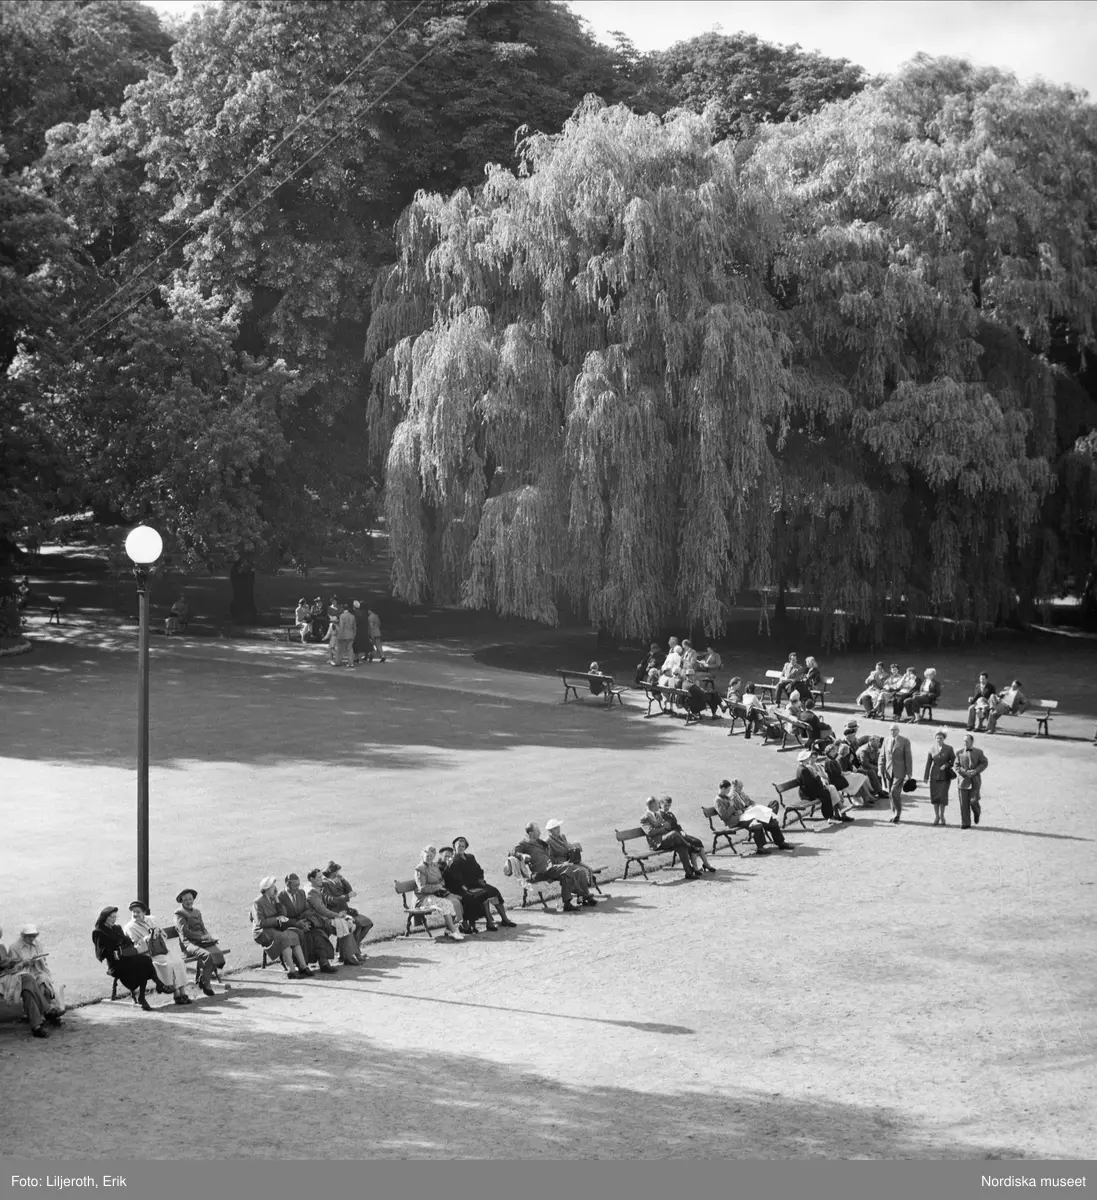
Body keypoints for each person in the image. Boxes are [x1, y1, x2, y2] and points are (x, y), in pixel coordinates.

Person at [511, 823, 597, 909]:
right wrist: (522, 856)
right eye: (538, 831)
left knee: (565, 875)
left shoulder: (539, 841)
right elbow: (512, 852)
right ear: (531, 833)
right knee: (570, 867)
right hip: (540, 872)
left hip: (550, 869)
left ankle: (567, 904)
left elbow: (551, 854)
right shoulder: (524, 843)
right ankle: (582, 894)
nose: (540, 833)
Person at [123, 900, 191, 1004]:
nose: (135, 914)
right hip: (147, 954)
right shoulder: (130, 927)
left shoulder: (152, 919)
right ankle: (176, 994)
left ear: (144, 912)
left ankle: (183, 992)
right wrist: (147, 939)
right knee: (168, 964)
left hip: (162, 950)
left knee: (179, 962)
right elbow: (135, 947)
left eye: (138, 912)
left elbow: (164, 935)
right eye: (133, 912)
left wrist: (158, 934)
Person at [93, 907, 158, 1011]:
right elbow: (100, 952)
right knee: (143, 963)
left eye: (115, 917)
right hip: (115, 963)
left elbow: (126, 941)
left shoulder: (117, 928)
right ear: (105, 917)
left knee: (145, 961)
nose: (113, 919)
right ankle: (157, 984)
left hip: (126, 957)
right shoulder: (98, 932)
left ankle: (142, 996)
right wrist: (114, 949)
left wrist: (127, 943)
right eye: (111, 917)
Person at [445, 837, 516, 931]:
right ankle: (488, 923)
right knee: (482, 894)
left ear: (465, 847)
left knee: (494, 891)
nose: (461, 848)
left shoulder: (470, 857)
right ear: (454, 847)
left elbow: (479, 870)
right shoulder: (453, 861)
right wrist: (465, 887)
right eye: (459, 846)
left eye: (463, 846)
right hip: (463, 887)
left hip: (476, 884)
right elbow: (456, 879)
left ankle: (504, 919)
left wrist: (481, 879)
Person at [0, 924, 57, 1037]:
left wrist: (13, 962)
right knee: (27, 978)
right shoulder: (12, 947)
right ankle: (47, 1010)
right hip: (3, 977)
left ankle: (36, 1026)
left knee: (28, 991)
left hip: (9, 974)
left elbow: (7, 963)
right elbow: (4, 964)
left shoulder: (1, 947)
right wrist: (10, 963)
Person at [253, 877, 313, 979]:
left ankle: (303, 966)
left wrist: (277, 901)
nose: (275, 889)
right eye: (273, 887)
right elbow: (260, 922)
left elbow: (283, 914)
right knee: (284, 938)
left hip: (274, 928)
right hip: (262, 931)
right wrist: (277, 919)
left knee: (293, 935)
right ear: (267, 889)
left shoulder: (273, 899)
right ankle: (292, 971)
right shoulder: (258, 902)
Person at [277, 874, 338, 971]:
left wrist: (305, 922)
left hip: (303, 922)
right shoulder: (280, 897)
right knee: (302, 935)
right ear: (287, 885)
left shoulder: (301, 893)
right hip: (289, 926)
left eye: (299, 885)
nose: (297, 888)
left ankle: (324, 962)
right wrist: (297, 923)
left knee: (318, 933)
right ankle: (302, 965)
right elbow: (282, 918)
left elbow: (307, 909)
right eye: (295, 886)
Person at [715, 779, 794, 854]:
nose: (729, 791)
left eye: (729, 789)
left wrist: (738, 810)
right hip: (734, 821)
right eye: (728, 789)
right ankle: (761, 847)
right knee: (756, 822)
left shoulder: (726, 797)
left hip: (740, 816)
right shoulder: (718, 800)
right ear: (723, 789)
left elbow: (736, 808)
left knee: (768, 820)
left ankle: (780, 842)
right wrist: (733, 808)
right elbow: (724, 816)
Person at [174, 889, 226, 996]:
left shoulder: (197, 912)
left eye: (190, 899)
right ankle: (206, 983)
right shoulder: (179, 914)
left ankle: (202, 977)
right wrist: (200, 936)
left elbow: (203, 927)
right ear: (182, 901)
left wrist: (207, 936)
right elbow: (186, 932)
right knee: (208, 956)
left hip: (202, 941)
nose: (189, 902)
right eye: (186, 900)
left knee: (218, 954)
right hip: (189, 944)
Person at [639, 797, 708, 879]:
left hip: (664, 839)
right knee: (674, 834)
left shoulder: (657, 814)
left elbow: (667, 826)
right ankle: (690, 846)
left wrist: (664, 826)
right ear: (653, 805)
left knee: (681, 846)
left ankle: (689, 873)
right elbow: (650, 832)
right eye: (658, 803)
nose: (659, 805)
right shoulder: (644, 818)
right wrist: (663, 828)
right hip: (656, 844)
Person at [305, 869, 363, 964]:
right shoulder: (312, 892)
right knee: (345, 923)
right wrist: (337, 915)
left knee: (347, 922)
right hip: (319, 921)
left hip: (322, 918)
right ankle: (349, 957)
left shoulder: (312, 888)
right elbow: (322, 911)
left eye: (321, 877)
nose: (321, 879)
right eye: (319, 877)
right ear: (311, 879)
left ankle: (349, 955)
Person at [321, 862, 373, 958]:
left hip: (346, 911)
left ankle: (351, 949)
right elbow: (330, 900)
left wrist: (343, 880)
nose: (338, 873)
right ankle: (351, 952)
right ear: (332, 872)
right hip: (336, 913)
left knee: (367, 923)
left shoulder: (336, 880)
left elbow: (349, 890)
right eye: (337, 872)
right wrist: (346, 897)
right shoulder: (324, 883)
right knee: (357, 924)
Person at [414, 846, 465, 938]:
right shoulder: (420, 869)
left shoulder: (434, 865)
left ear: (434, 856)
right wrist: (436, 887)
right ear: (422, 856)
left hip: (436, 894)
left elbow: (441, 880)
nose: (429, 857)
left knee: (454, 901)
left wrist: (440, 884)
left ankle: (449, 929)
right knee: (445, 903)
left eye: (431, 855)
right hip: (424, 898)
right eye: (427, 855)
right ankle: (453, 931)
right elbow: (422, 888)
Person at [658, 797, 718, 870]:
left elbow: (677, 825)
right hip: (674, 838)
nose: (667, 807)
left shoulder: (670, 814)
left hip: (680, 834)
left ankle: (706, 864)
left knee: (698, 841)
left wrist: (681, 831)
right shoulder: (660, 816)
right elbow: (665, 830)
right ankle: (695, 868)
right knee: (693, 843)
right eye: (665, 806)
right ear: (660, 805)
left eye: (669, 805)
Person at [821, 741, 875, 807]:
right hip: (837, 781)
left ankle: (866, 798)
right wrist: (845, 773)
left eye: (835, 750)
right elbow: (835, 773)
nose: (835, 752)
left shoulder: (832, 759)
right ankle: (866, 798)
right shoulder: (829, 761)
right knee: (858, 779)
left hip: (840, 778)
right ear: (830, 751)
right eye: (834, 751)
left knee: (859, 779)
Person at [794, 750, 842, 823]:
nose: (809, 758)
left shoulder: (802, 768)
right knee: (825, 794)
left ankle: (831, 816)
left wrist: (818, 782)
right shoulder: (803, 769)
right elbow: (809, 784)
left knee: (826, 792)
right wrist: (818, 780)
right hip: (807, 794)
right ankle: (830, 816)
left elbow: (811, 782)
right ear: (806, 759)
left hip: (808, 791)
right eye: (808, 757)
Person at [879, 722, 913, 824]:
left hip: (900, 771)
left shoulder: (904, 741)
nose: (892, 732)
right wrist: (880, 768)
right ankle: (893, 812)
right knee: (890, 793)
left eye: (894, 730)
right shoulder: (886, 740)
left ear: (898, 730)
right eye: (891, 730)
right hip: (889, 770)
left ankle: (898, 812)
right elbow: (882, 755)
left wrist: (909, 772)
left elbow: (908, 757)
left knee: (894, 791)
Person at [956, 733, 989, 828]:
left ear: (972, 741)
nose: (965, 743)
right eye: (964, 741)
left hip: (975, 780)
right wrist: (965, 772)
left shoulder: (979, 752)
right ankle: (965, 823)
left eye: (967, 741)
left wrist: (976, 770)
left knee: (973, 801)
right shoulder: (959, 752)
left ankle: (977, 811)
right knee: (963, 803)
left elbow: (984, 762)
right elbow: (956, 766)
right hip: (963, 781)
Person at [924, 729, 957, 826]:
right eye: (937, 738)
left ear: (944, 739)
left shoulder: (949, 748)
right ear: (935, 738)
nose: (939, 740)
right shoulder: (932, 748)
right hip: (934, 775)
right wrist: (926, 776)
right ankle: (936, 816)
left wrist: (947, 765)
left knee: (942, 796)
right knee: (935, 797)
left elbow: (953, 761)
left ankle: (942, 815)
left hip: (945, 776)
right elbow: (928, 763)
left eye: (941, 738)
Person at [334, 603, 356, 668]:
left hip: (343, 635)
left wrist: (339, 636)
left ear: (343, 609)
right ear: (348, 609)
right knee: (350, 649)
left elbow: (341, 627)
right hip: (351, 634)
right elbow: (354, 627)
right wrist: (354, 634)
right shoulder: (352, 616)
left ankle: (338, 662)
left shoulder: (342, 616)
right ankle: (351, 663)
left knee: (340, 650)